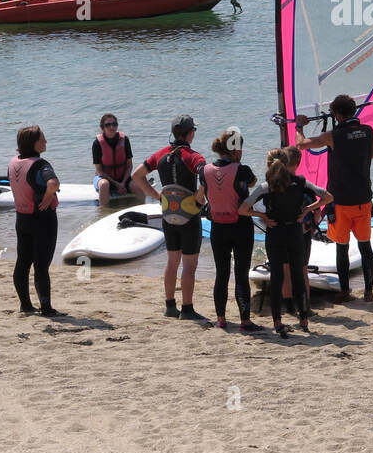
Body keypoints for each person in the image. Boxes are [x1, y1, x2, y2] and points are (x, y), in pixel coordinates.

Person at [296, 94, 373, 303]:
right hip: (364, 200)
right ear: (354, 111)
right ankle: (369, 292)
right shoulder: (368, 131)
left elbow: (302, 145)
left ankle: (345, 292)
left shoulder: (332, 136)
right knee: (365, 246)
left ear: (335, 114)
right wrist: (358, 153)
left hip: (341, 203)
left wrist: (299, 126)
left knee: (342, 247)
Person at [240, 147, 331, 336]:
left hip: (275, 233)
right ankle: (304, 319)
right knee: (298, 276)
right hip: (295, 232)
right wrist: (307, 210)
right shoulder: (300, 182)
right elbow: (328, 197)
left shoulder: (266, 187)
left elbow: (242, 209)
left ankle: (278, 322)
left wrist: (262, 216)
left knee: (277, 278)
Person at [132, 115, 209, 322]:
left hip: (169, 215)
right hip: (189, 216)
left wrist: (157, 196)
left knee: (172, 261)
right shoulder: (194, 157)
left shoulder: (160, 155)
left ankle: (169, 306)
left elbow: (136, 175)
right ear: (190, 133)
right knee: (190, 265)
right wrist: (199, 197)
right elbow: (206, 176)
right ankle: (187, 308)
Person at [196, 129, 262, 332]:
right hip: (241, 227)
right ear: (236, 150)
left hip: (218, 228)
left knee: (221, 274)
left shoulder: (203, 171)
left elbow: (200, 198)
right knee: (241, 274)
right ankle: (245, 322)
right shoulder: (242, 169)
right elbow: (252, 183)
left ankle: (221, 319)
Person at [9, 125, 61, 316]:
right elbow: (53, 183)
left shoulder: (13, 162)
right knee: (41, 265)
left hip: (22, 219)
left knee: (23, 262)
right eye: (42, 139)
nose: (46, 142)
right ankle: (46, 309)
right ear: (34, 143)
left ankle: (26, 305)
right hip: (42, 220)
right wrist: (48, 196)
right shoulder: (40, 164)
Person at [92, 113, 136, 206]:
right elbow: (99, 170)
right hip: (104, 178)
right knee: (104, 185)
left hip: (123, 178)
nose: (112, 127)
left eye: (114, 124)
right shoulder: (97, 143)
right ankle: (103, 212)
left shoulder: (125, 140)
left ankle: (141, 211)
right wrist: (117, 184)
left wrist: (123, 182)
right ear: (102, 127)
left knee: (136, 185)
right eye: (108, 125)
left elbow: (129, 165)